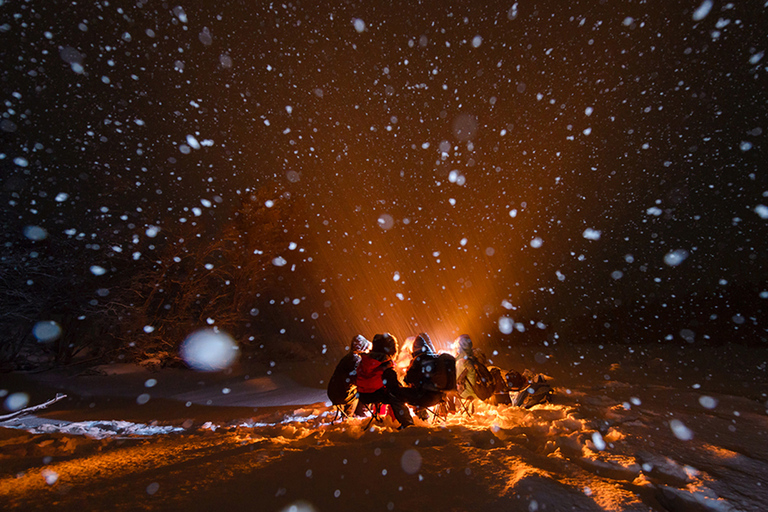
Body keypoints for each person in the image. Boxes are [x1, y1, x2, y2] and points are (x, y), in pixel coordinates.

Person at [355, 333, 414, 429]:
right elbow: (394, 389)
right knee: (395, 394)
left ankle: (382, 414)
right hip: (377, 395)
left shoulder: (364, 361)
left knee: (386, 387)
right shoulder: (386, 365)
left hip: (363, 396)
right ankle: (406, 422)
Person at [403, 333, 448, 418]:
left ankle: (408, 419)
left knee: (399, 393)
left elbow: (408, 379)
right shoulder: (438, 358)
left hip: (424, 398)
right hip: (439, 397)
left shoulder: (417, 361)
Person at [326, 334, 371, 417]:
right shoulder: (356, 360)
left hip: (332, 393)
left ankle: (350, 412)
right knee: (364, 392)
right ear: (362, 348)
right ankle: (356, 414)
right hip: (342, 395)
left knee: (352, 389)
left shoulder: (348, 357)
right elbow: (356, 379)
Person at [454, 334, 494, 402]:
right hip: (478, 392)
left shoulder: (460, 362)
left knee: (447, 389)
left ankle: (451, 409)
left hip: (465, 393)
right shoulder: (474, 360)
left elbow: (455, 380)